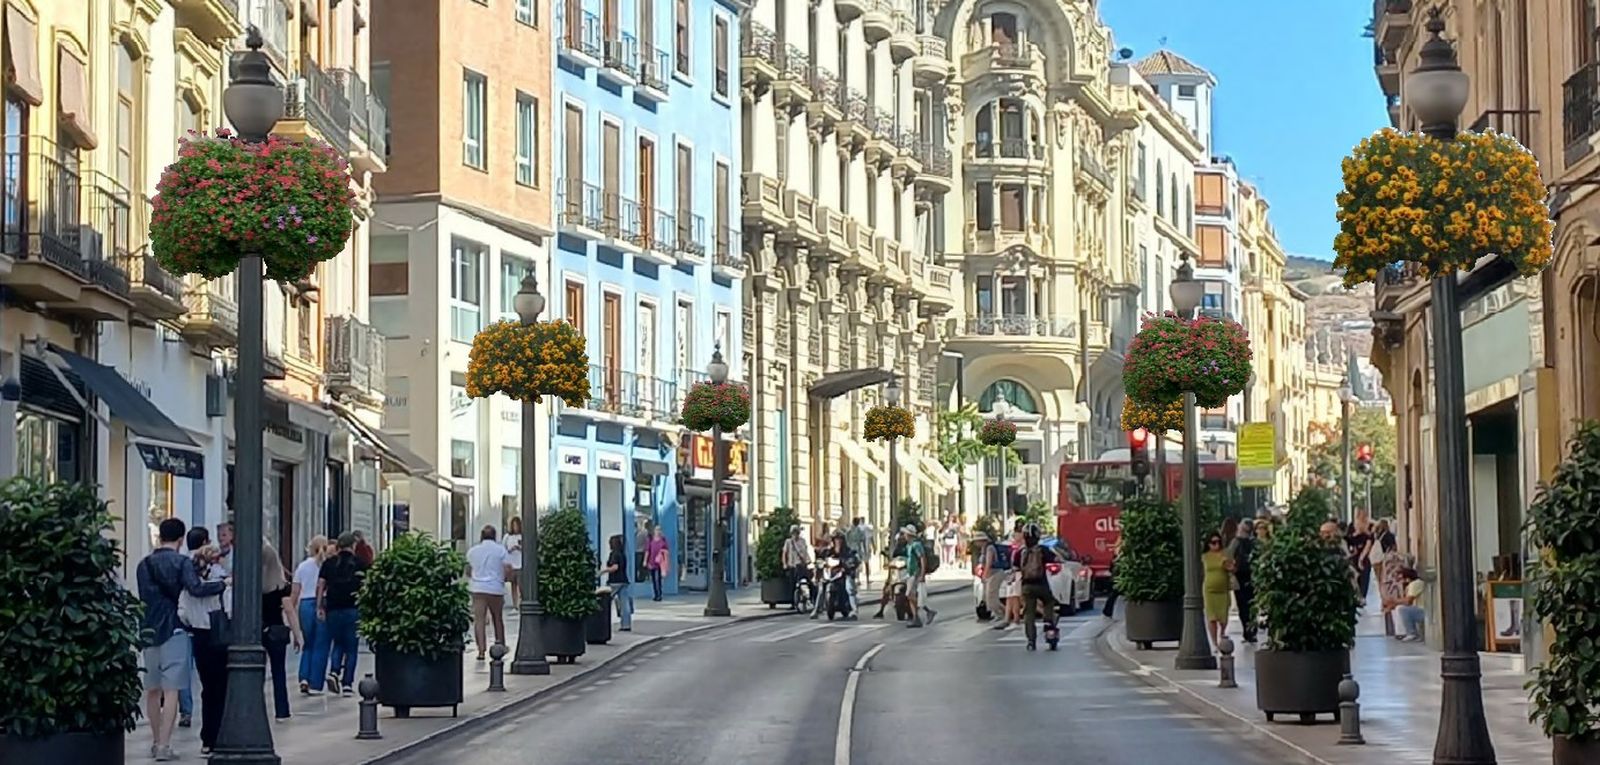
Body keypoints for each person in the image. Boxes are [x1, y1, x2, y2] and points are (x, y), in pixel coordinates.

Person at [137, 518, 225, 762]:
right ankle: (164, 745)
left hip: (149, 630)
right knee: (171, 690)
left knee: (152, 690)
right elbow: (195, 589)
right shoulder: (181, 562)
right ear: (180, 539)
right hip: (174, 629)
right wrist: (221, 585)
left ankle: (155, 740)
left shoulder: (144, 564)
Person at [177, 527, 229, 755]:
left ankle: (208, 738)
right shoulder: (221, 579)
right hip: (219, 633)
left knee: (208, 688)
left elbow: (183, 612)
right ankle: (218, 735)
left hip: (198, 634)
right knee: (221, 687)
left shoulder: (188, 580)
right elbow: (230, 607)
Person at [312, 532, 367, 695]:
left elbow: (320, 585)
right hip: (353, 609)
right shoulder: (360, 564)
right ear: (353, 546)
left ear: (338, 546)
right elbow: (366, 586)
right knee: (351, 647)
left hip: (333, 609)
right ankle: (347, 684)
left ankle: (334, 671)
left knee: (338, 643)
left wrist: (319, 606)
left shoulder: (329, 563)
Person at [260, 542, 300, 721]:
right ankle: (282, 711)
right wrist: (298, 635)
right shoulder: (280, 585)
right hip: (276, 631)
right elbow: (289, 610)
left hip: (257, 631)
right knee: (279, 672)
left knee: (257, 673)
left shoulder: (252, 585)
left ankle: (257, 707)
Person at [466, 525, 512, 659]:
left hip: (478, 588)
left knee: (479, 620)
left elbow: (468, 570)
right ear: (495, 536)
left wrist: (475, 577)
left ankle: (481, 651)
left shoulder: (473, 551)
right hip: (495, 588)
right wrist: (504, 579)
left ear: (481, 536)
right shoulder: (500, 550)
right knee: (497, 618)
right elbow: (508, 568)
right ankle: (500, 645)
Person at [1012, 523, 1059, 650]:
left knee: (1029, 613)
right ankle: (1049, 625)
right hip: (1042, 584)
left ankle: (1031, 641)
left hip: (1027, 586)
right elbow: (1056, 559)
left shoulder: (1020, 552)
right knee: (1049, 602)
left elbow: (1015, 568)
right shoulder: (1043, 550)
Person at [293, 535, 328, 694]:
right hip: (322, 603)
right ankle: (315, 682)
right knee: (320, 644)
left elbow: (295, 591)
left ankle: (304, 677)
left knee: (307, 643)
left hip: (305, 604)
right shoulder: (326, 566)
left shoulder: (302, 566)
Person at [811, 530, 860, 620]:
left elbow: (854, 559)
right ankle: (816, 610)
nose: (838, 541)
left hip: (844, 573)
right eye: (836, 539)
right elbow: (821, 558)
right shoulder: (829, 551)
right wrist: (820, 562)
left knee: (849, 587)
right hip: (831, 572)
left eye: (840, 539)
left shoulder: (847, 551)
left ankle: (854, 611)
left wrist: (849, 563)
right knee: (821, 587)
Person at [1227, 522, 1258, 643]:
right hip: (1252, 576)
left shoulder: (1236, 542)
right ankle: (1252, 631)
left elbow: (1229, 556)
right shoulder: (1254, 543)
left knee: (1242, 605)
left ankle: (1247, 630)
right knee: (1251, 604)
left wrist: (1232, 570)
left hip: (1239, 576)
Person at [1202, 533, 1232, 649]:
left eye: (1218, 542)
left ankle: (1222, 634)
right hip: (1210, 590)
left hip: (1223, 590)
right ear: (1208, 544)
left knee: (1223, 617)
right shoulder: (1205, 556)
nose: (1217, 545)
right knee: (1212, 618)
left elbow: (1232, 568)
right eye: (1213, 542)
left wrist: (1227, 564)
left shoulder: (1225, 554)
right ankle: (1214, 643)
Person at [904, 525, 936, 628]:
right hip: (910, 573)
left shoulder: (916, 545)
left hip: (915, 573)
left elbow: (922, 559)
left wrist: (922, 573)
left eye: (905, 534)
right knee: (911, 596)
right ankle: (917, 617)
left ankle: (924, 613)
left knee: (910, 594)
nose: (904, 535)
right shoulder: (909, 545)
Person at [604, 534, 633, 631]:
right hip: (623, 580)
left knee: (604, 601)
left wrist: (603, 571)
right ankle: (626, 625)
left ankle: (602, 622)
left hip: (614, 581)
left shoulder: (614, 554)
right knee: (625, 604)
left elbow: (614, 567)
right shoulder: (622, 554)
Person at [973, 533, 1004, 621]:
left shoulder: (989, 548)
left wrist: (985, 575)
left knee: (991, 597)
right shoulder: (984, 549)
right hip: (990, 574)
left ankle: (1000, 614)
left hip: (994, 574)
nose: (975, 544)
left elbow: (989, 563)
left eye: (976, 541)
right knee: (988, 597)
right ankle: (1002, 613)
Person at [782, 524, 812, 610]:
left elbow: (805, 552)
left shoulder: (802, 541)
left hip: (801, 565)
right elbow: (784, 553)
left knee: (806, 582)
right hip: (792, 565)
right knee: (792, 584)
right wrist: (784, 564)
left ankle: (808, 598)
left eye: (796, 532)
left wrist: (807, 561)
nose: (795, 534)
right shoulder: (788, 542)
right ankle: (793, 602)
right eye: (793, 532)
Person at [1347, 516, 1374, 606]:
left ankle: (1362, 597)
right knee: (1355, 580)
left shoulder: (1368, 535)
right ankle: (1358, 597)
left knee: (1364, 580)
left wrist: (1361, 559)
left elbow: (1368, 546)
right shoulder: (1351, 535)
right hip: (1355, 560)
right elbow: (1349, 544)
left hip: (1363, 560)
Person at [1394, 567, 1426, 641]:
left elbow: (1408, 601)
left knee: (1401, 609)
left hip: (1422, 611)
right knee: (1400, 608)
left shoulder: (1414, 584)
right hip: (1421, 609)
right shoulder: (1414, 584)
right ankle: (1402, 632)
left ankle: (1410, 633)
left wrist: (1394, 601)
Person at [645, 526, 670, 601]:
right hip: (652, 561)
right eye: (657, 530)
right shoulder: (651, 540)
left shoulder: (663, 540)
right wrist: (645, 560)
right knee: (653, 579)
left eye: (659, 530)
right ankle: (656, 594)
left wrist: (665, 560)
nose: (658, 531)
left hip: (660, 562)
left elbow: (666, 551)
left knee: (657, 579)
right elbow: (647, 551)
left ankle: (659, 595)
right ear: (654, 531)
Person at [505, 517, 524, 605]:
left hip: (520, 563)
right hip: (511, 564)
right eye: (513, 526)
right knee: (513, 584)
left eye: (516, 525)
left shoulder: (522, 536)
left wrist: (519, 548)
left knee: (521, 585)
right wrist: (510, 549)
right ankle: (515, 603)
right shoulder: (508, 537)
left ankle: (522, 601)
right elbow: (504, 549)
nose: (515, 527)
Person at [845, 517, 870, 585]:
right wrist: (865, 550)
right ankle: (857, 579)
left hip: (850, 549)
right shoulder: (860, 531)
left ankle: (852, 578)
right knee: (857, 564)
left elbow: (846, 540)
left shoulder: (849, 531)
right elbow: (863, 541)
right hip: (857, 550)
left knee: (851, 564)